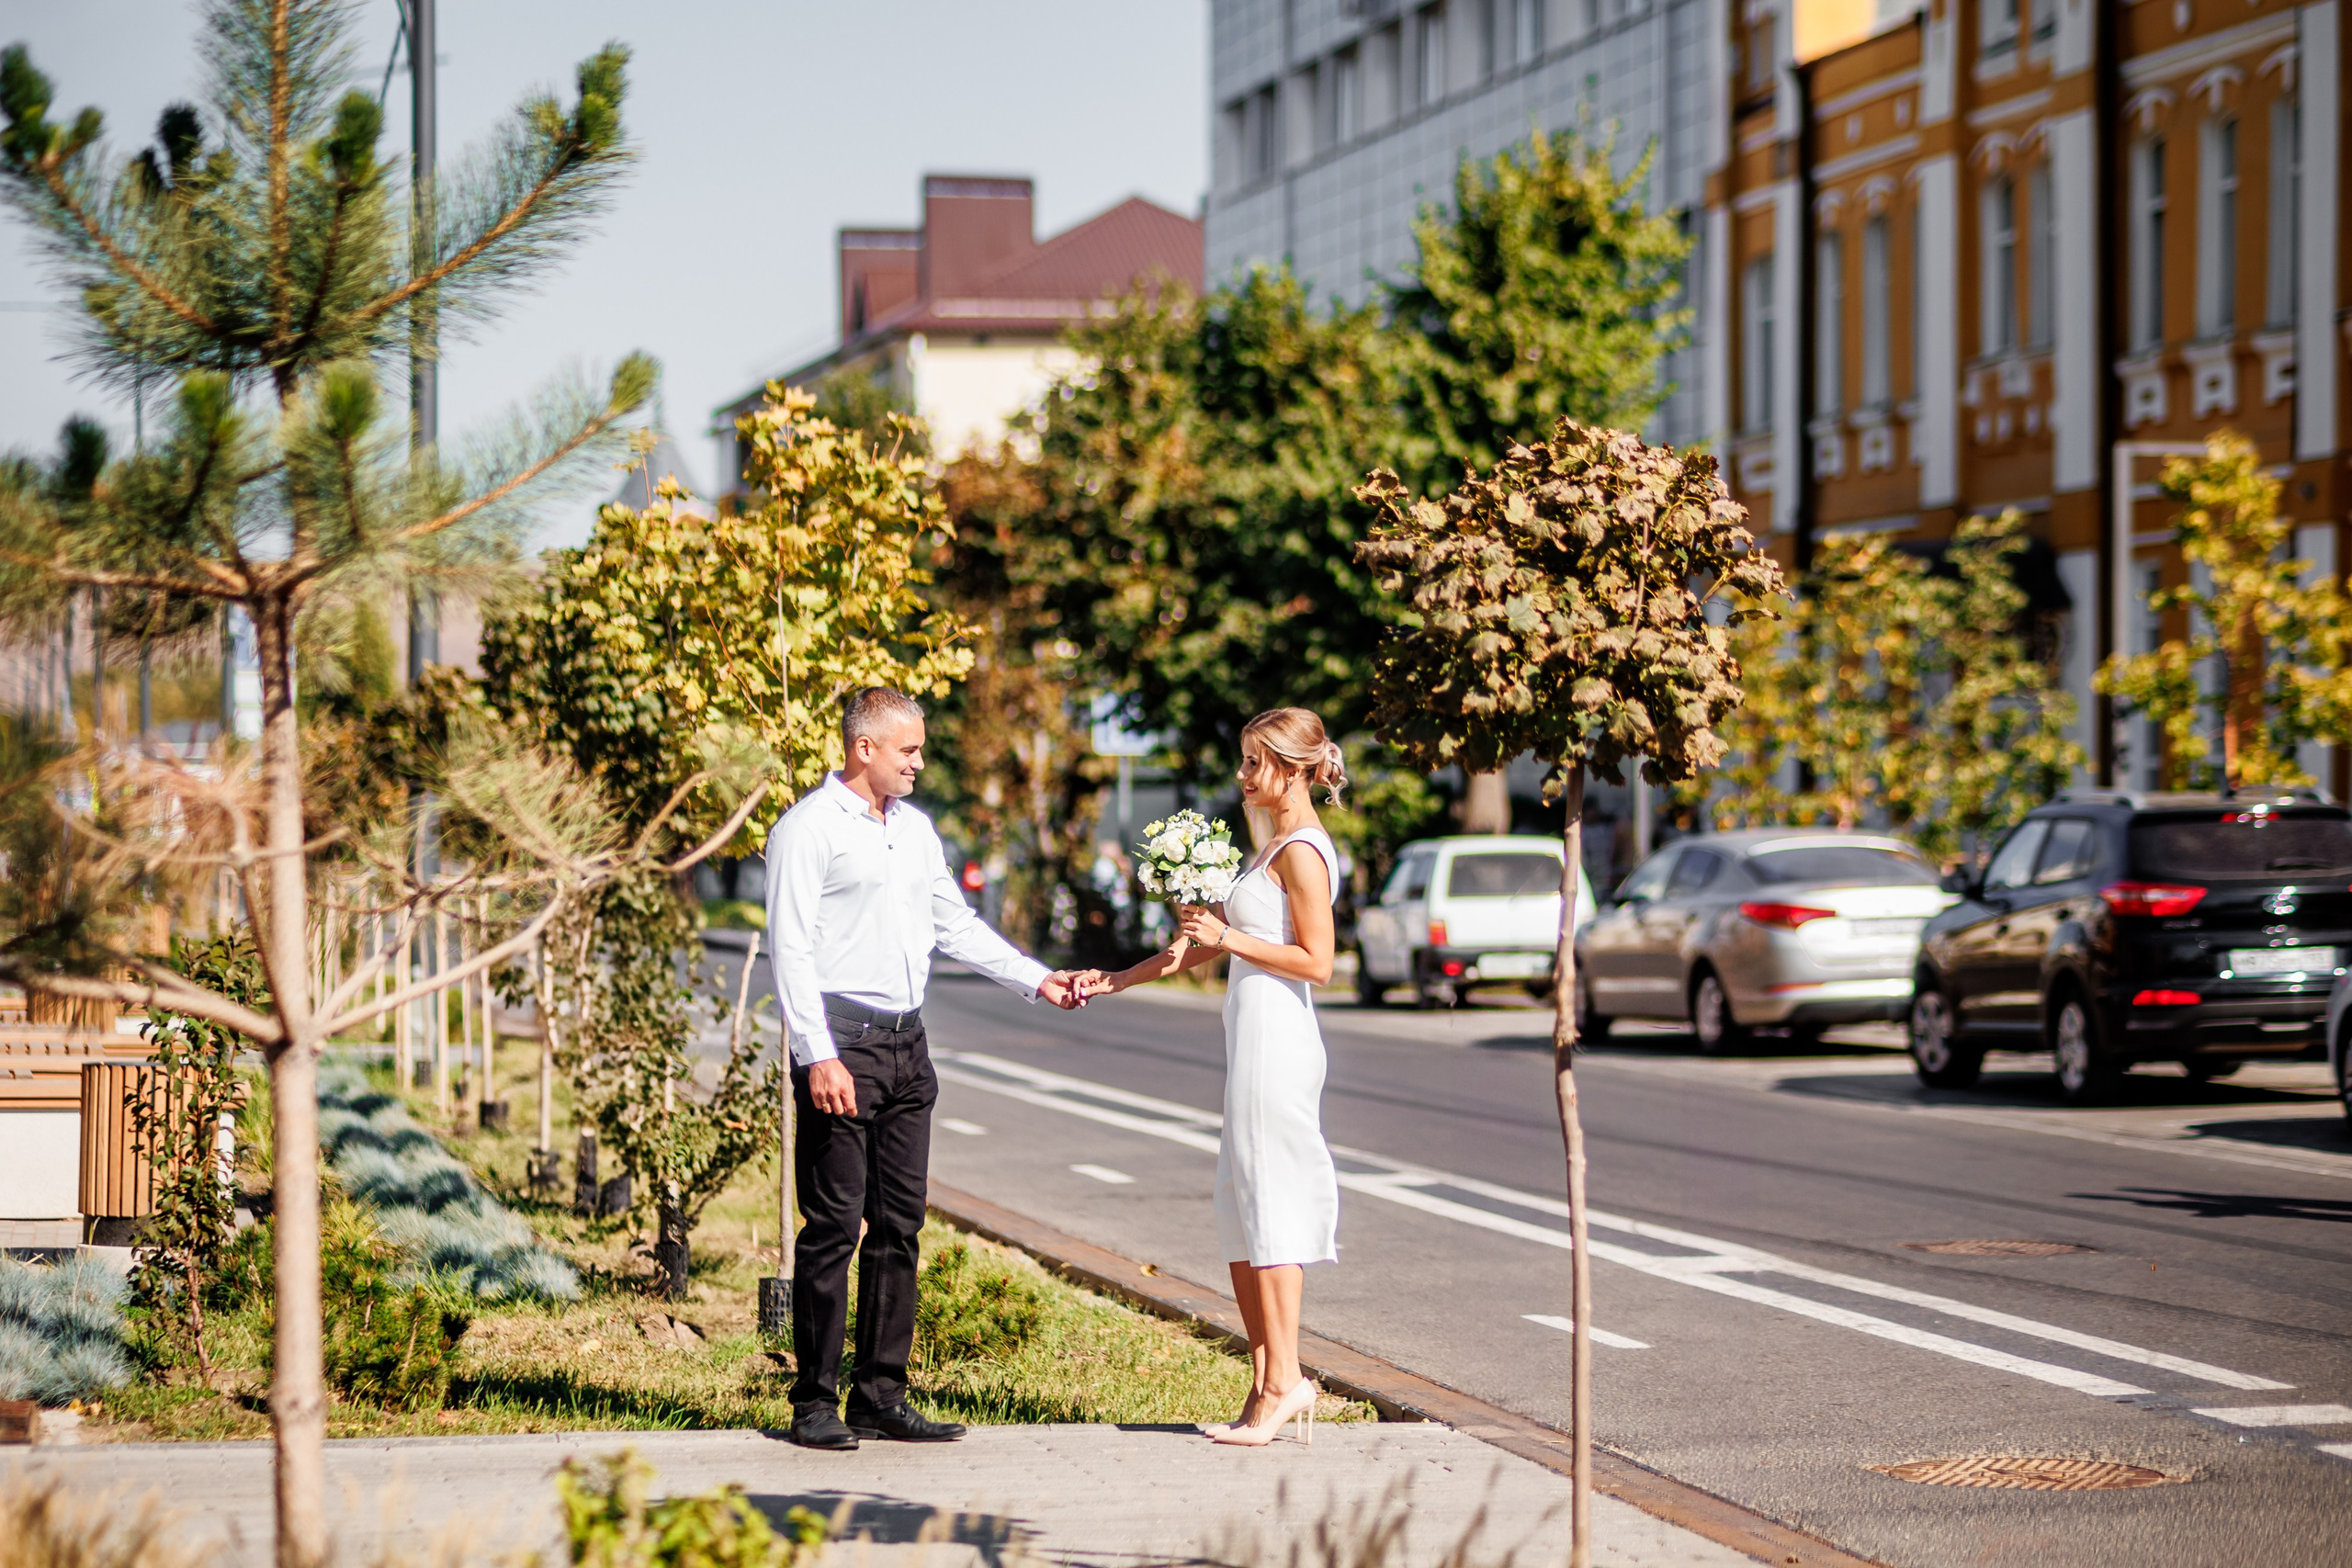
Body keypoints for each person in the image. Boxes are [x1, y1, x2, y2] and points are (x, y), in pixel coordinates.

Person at [766, 686, 1089, 1451]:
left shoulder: (914, 832)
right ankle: (814, 1400)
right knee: (833, 1226)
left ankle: (881, 1392)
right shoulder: (808, 830)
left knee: (900, 1227)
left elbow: (953, 924)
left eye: (919, 748)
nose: (919, 761)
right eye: (907, 749)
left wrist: (1034, 977)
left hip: (909, 1046)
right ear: (863, 748)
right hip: (842, 1041)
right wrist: (818, 1053)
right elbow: (790, 949)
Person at [1077, 707, 1343, 1447]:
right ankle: (1263, 1384)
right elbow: (1200, 944)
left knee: (1273, 1201)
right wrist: (1119, 978)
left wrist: (1233, 936)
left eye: (1255, 762)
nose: (1243, 774)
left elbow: (1318, 961)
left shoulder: (1303, 852)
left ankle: (1287, 1379)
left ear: (1290, 769)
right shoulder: (1267, 851)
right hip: (1250, 1037)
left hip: (1281, 1042)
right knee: (1239, 1203)